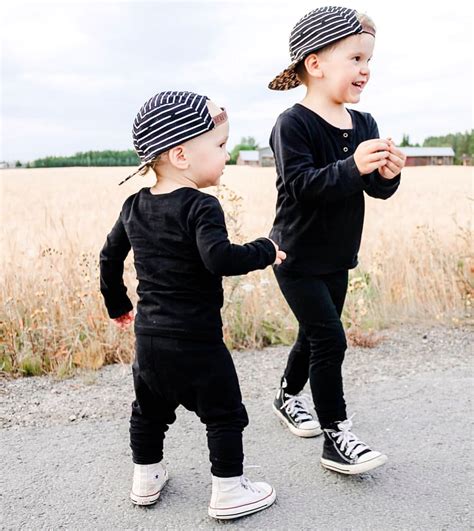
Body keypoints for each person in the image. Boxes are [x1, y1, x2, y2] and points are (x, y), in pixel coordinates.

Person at [99, 91, 285, 519]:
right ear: (181, 155)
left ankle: (146, 478)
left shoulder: (134, 206)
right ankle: (229, 490)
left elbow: (109, 258)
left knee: (148, 412)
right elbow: (218, 258)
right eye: (219, 146)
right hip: (198, 341)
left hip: (149, 340)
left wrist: (117, 304)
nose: (228, 153)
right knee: (224, 414)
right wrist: (264, 249)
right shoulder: (202, 206)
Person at [267, 6, 406, 474]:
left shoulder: (364, 124)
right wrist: (353, 167)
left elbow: (373, 189)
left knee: (313, 335)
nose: (365, 70)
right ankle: (336, 435)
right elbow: (304, 187)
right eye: (355, 58)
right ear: (315, 63)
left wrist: (386, 174)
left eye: (369, 61)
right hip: (295, 255)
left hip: (337, 256)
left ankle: (287, 396)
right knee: (331, 340)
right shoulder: (293, 125)